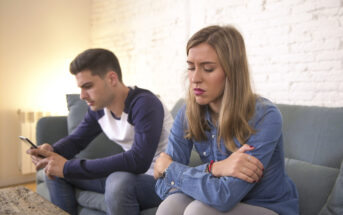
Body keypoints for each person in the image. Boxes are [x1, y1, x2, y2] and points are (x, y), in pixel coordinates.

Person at [153, 25, 299, 215]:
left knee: (198, 211)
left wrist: (171, 169)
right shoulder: (188, 113)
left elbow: (224, 197)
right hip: (214, 202)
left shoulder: (265, 116)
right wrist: (215, 169)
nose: (195, 78)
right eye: (191, 67)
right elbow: (163, 187)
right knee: (170, 205)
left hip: (267, 207)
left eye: (208, 69)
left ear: (232, 71)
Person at [27, 48, 174, 215]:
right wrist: (51, 152)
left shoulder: (145, 104)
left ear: (112, 78)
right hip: (127, 175)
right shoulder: (100, 109)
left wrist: (69, 166)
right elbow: (77, 140)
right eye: (80, 88)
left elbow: (138, 160)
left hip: (161, 179)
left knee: (118, 181)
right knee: (53, 168)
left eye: (88, 86)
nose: (82, 95)